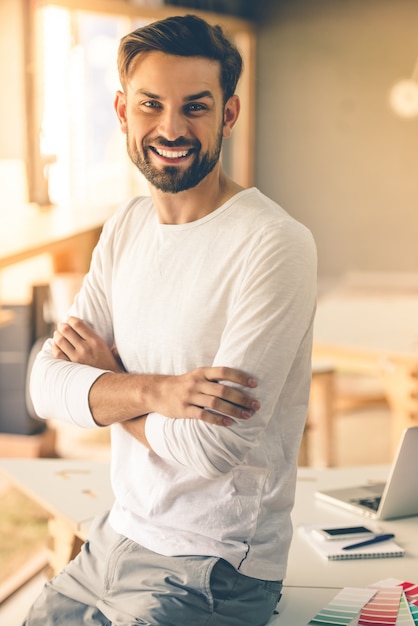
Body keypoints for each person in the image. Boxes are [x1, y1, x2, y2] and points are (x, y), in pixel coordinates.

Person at [25, 14, 317, 626]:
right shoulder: (126, 226)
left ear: (228, 115)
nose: (171, 128)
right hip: (115, 535)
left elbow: (214, 446)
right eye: (151, 105)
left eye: (195, 107)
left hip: (213, 565)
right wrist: (157, 391)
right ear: (122, 111)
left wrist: (105, 385)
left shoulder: (274, 243)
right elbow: (45, 385)